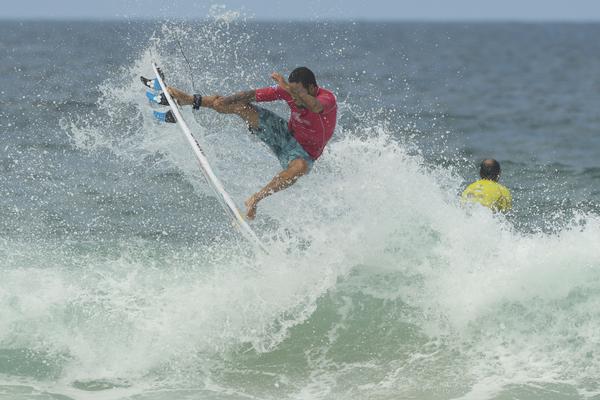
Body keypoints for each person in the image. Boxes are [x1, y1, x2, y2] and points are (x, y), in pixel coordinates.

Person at [158, 67, 337, 220]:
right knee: (239, 105)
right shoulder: (288, 91)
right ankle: (187, 100)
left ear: (313, 88)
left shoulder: (326, 99)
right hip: (284, 134)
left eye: (299, 93)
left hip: (304, 153)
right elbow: (250, 95)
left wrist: (290, 90)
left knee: (300, 167)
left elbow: (315, 107)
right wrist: (223, 102)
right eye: (293, 92)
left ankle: (256, 199)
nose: (295, 98)